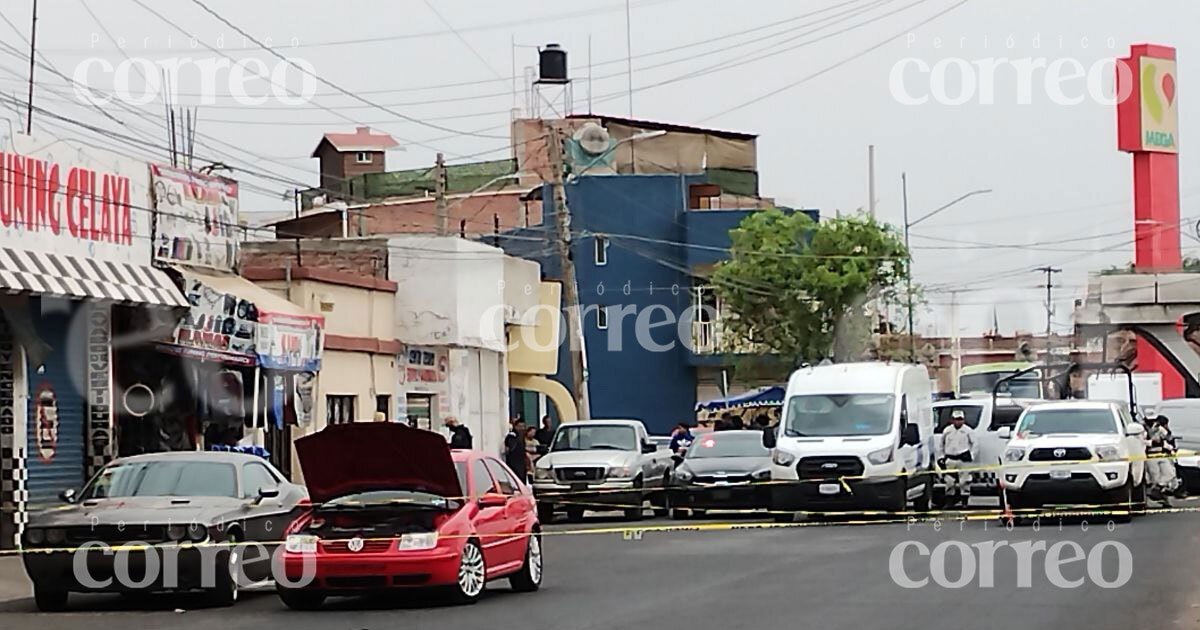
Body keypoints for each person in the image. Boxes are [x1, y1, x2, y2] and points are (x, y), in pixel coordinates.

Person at [938, 409, 977, 507]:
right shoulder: (947, 431)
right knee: (949, 482)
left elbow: (975, 444)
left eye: (960, 419)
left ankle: (964, 502)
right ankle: (949, 502)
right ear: (952, 420)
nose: (958, 421)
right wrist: (941, 457)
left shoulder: (967, 431)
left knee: (964, 481)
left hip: (963, 459)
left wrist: (971, 455)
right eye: (956, 419)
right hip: (950, 459)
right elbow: (941, 445)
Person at [1146, 415, 1183, 501]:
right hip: (1151, 456)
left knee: (1170, 474)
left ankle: (1158, 488)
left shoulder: (1162, 430)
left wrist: (1170, 447)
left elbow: (1168, 439)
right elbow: (1145, 442)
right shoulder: (1146, 430)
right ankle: (1162, 498)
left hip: (1162, 454)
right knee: (1155, 477)